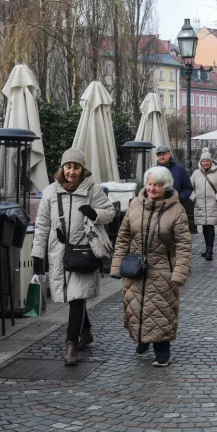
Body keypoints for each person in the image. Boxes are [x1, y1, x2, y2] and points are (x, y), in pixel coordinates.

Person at [32, 148, 116, 366]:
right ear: (62, 168)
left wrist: (94, 213)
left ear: (82, 169)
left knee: (77, 299)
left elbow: (110, 213)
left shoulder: (93, 190)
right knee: (73, 297)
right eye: (68, 166)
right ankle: (86, 332)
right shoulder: (50, 192)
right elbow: (41, 225)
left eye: (76, 167)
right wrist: (37, 255)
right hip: (58, 253)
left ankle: (71, 345)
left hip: (83, 251)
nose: (71, 171)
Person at [110, 166, 191, 367]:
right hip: (135, 268)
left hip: (163, 268)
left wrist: (180, 272)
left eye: (157, 185)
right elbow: (123, 237)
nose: (152, 188)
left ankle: (162, 351)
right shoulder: (135, 205)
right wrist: (116, 265)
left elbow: (183, 244)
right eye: (150, 184)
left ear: (166, 186)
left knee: (161, 310)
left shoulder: (176, 210)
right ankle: (142, 339)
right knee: (136, 306)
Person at [189, 148, 217, 261]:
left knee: (210, 227)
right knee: (204, 227)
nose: (205, 163)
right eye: (203, 161)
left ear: (211, 161)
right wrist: (193, 197)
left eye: (207, 161)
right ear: (201, 162)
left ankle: (210, 250)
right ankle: (207, 248)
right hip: (200, 204)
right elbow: (189, 187)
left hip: (213, 204)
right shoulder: (196, 173)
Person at [156, 145, 194, 231]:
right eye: (159, 155)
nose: (161, 157)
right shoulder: (153, 170)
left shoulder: (179, 169)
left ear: (169, 154)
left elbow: (188, 188)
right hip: (158, 208)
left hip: (176, 207)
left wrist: (180, 198)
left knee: (176, 232)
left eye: (164, 154)